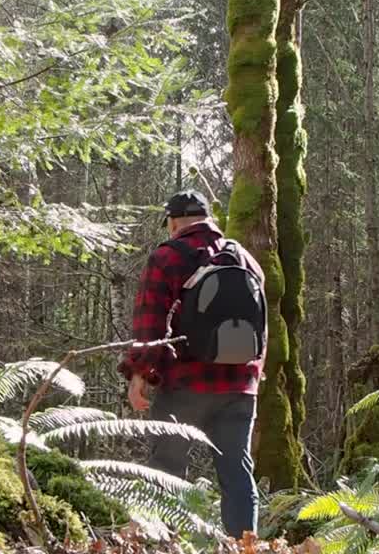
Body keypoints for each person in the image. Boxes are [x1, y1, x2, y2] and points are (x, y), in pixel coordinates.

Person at [118, 190, 265, 539]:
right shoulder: (246, 259)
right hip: (241, 387)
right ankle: (245, 546)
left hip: (186, 384)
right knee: (237, 473)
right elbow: (262, 325)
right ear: (208, 218)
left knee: (166, 469)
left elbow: (149, 324)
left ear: (172, 222)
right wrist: (255, 378)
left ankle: (163, 543)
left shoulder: (168, 257)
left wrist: (140, 374)